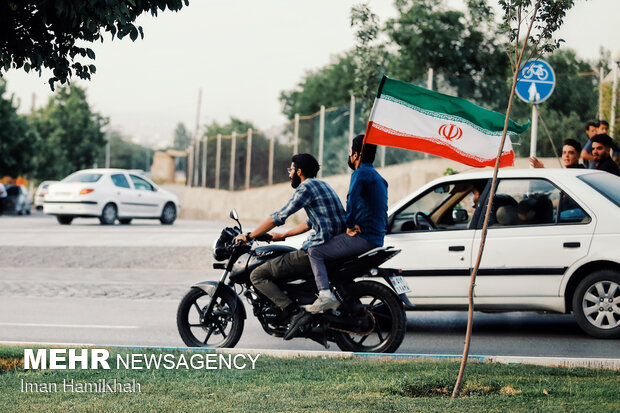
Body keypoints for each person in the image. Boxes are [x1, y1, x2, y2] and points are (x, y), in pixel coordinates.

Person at [234, 153, 346, 336]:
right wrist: (282, 236)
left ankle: (293, 312)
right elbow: (311, 222)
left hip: (319, 247)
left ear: (299, 171)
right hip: (334, 245)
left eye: (291, 169)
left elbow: (280, 216)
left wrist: (250, 235)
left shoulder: (306, 187)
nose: (289, 174)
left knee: (258, 274)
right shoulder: (322, 185)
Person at [300, 135, 388, 316]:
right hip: (376, 236)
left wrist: (350, 224)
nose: (349, 156)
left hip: (364, 237)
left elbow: (352, 199)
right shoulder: (379, 177)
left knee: (315, 251)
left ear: (356, 155)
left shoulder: (360, 173)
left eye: (350, 152)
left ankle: (324, 295)